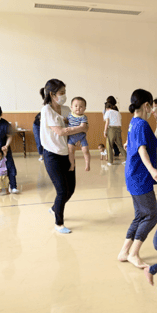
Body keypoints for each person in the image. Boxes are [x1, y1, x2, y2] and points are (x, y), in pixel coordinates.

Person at [40, 79, 88, 234]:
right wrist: (80, 128)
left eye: (65, 92)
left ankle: (55, 208)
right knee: (61, 191)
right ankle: (59, 223)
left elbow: (84, 126)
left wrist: (81, 129)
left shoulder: (67, 109)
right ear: (52, 94)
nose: (64, 95)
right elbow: (60, 131)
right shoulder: (46, 110)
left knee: (70, 189)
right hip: (52, 155)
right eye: (61, 93)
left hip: (67, 154)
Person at [117, 89, 157, 268]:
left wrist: (128, 144)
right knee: (151, 215)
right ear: (146, 105)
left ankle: (124, 251)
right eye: (152, 105)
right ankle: (134, 254)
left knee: (140, 215)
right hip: (140, 175)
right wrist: (152, 170)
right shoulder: (142, 124)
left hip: (133, 173)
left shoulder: (133, 122)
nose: (152, 109)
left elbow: (131, 143)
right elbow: (141, 149)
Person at [67, 97, 91, 172]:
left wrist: (71, 129)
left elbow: (83, 127)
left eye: (81, 106)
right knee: (70, 152)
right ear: (71, 107)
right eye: (76, 106)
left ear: (84, 108)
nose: (78, 108)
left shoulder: (83, 117)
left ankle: (87, 164)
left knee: (86, 151)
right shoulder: (69, 115)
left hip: (81, 138)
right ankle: (72, 165)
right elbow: (66, 121)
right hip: (71, 138)